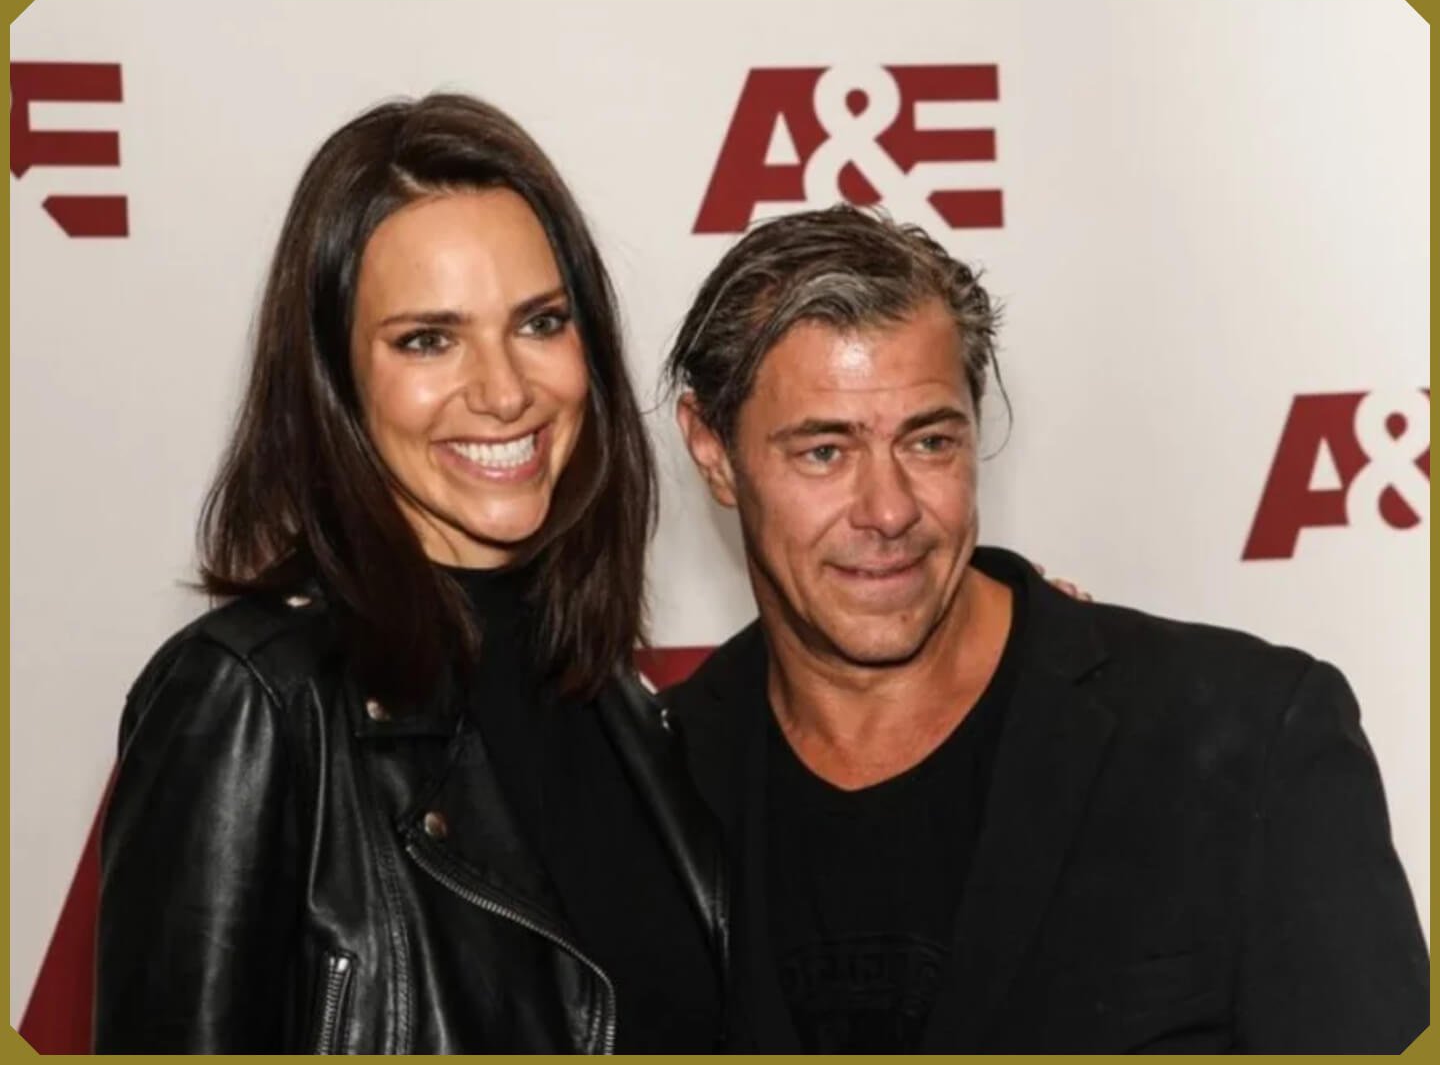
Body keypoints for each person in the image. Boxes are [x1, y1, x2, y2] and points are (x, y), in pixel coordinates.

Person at [661, 204, 1428, 1053]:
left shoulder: (1246, 739)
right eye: (824, 453)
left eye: (929, 442)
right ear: (713, 451)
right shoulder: (655, 783)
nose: (889, 510)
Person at [93, 94, 724, 1053]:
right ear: (334, 383)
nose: (505, 391)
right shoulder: (252, 702)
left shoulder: (618, 703)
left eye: (540, 322)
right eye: (428, 339)